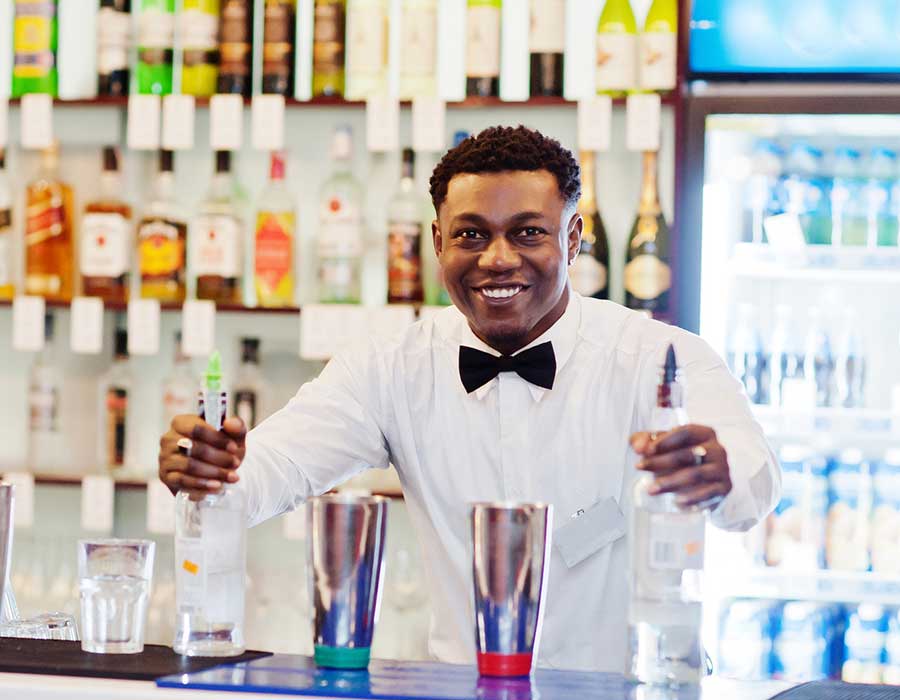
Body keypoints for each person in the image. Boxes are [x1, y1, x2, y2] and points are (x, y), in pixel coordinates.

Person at [158, 126, 781, 672]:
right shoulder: (389, 368)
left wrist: (714, 474)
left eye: (528, 232)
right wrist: (212, 469)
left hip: (626, 688)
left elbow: (753, 487)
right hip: (463, 690)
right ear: (436, 241)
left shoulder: (660, 360)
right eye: (471, 234)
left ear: (573, 238)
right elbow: (272, 469)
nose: (497, 259)